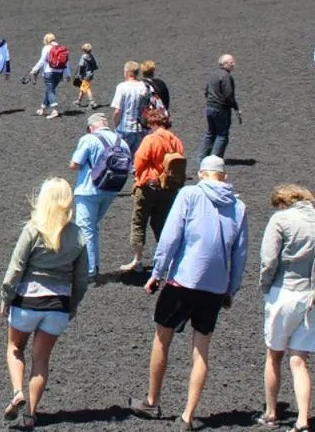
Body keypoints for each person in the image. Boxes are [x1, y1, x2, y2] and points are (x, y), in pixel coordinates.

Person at [131, 155, 249, 431]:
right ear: (224, 177)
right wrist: (230, 289)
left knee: (162, 338)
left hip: (183, 281)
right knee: (201, 350)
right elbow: (240, 254)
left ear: (201, 174)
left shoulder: (190, 194)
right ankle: (188, 416)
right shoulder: (239, 206)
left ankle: (152, 401)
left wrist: (157, 273)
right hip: (215, 287)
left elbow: (171, 237)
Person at [1, 178, 89, 430]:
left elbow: (16, 268)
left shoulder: (33, 228)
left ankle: (18, 392)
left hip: (27, 302)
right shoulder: (78, 235)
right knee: (41, 360)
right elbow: (82, 279)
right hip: (58, 307)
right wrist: (72, 305)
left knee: (15, 348)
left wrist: (6, 297)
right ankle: (31, 413)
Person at [258, 184, 315, 431]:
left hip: (285, 292)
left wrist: (265, 286)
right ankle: (303, 420)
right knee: (299, 361)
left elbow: (269, 260)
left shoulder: (280, 220)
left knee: (274, 355)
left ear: (283, 202)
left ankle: (271, 413)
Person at [121, 107, 185, 271]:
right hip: (169, 188)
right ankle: (166, 258)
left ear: (152, 123)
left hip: (148, 185)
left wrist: (138, 178)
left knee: (139, 222)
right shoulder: (176, 141)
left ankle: (138, 260)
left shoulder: (150, 139)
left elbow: (139, 162)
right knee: (161, 223)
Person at [68, 112, 131, 279]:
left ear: (91, 127)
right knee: (93, 227)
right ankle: (93, 266)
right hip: (111, 190)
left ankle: (88, 271)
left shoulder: (89, 139)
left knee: (85, 229)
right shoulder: (122, 142)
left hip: (89, 190)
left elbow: (75, 164)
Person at [198, 54, 240, 162]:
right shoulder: (226, 76)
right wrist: (235, 107)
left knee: (210, 133)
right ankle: (215, 161)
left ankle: (202, 159)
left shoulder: (212, 75)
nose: (233, 64)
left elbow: (206, 91)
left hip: (209, 107)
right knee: (222, 135)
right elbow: (228, 95)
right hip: (221, 109)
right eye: (231, 62)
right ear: (225, 64)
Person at [111, 60, 150, 155]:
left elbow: (117, 111)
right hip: (141, 129)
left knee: (122, 158)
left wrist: (116, 125)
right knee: (138, 157)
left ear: (128, 72)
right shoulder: (144, 87)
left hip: (125, 128)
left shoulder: (122, 87)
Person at [31, 33, 71, 119]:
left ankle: (55, 110)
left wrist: (34, 70)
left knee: (50, 91)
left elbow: (42, 60)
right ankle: (43, 109)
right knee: (50, 90)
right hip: (59, 73)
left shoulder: (46, 48)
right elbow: (66, 62)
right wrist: (68, 74)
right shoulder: (62, 48)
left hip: (49, 72)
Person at [74, 44, 98, 108]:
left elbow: (81, 66)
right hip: (90, 74)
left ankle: (91, 101)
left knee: (87, 88)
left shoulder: (83, 57)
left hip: (85, 75)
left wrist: (79, 75)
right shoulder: (91, 56)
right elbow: (95, 66)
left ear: (83, 50)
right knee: (83, 87)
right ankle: (78, 101)